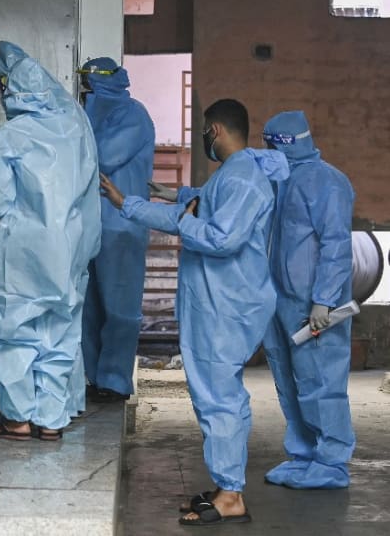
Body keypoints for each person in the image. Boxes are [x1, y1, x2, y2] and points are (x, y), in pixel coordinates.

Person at [100, 99, 289, 525]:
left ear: (216, 130)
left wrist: (178, 217)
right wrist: (135, 202)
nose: (204, 138)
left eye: (204, 131)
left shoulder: (243, 181)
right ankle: (227, 485)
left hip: (227, 306)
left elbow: (220, 237)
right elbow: (193, 210)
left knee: (218, 399)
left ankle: (232, 495)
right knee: (223, 398)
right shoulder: (235, 175)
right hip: (220, 303)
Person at [0, 41, 101, 441]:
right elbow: (89, 198)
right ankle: (50, 419)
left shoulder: (13, 135)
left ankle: (17, 418)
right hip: (68, 250)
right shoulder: (75, 128)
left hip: (23, 251)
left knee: (15, 332)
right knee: (59, 331)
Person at [260, 110, 356, 489]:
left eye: (270, 144)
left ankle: (332, 461)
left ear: (283, 143)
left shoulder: (327, 182)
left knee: (322, 381)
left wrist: (324, 300)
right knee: (290, 378)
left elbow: (337, 244)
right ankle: (303, 454)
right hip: (281, 300)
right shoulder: (280, 179)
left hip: (314, 305)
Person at [78, 57, 155, 402]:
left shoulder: (132, 115)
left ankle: (115, 379)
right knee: (88, 305)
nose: (84, 91)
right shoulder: (89, 116)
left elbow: (103, 157)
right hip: (91, 223)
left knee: (120, 307)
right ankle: (93, 375)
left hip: (121, 225)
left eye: (87, 85)